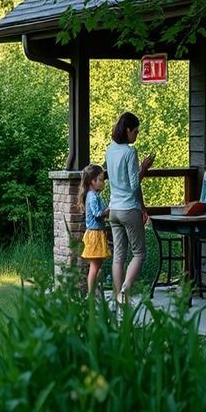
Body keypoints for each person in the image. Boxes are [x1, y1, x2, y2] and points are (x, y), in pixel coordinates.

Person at [105, 112, 155, 305]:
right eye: (136, 131)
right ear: (128, 130)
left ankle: (118, 297)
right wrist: (144, 168)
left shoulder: (110, 150)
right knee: (139, 253)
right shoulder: (129, 152)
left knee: (118, 256)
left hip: (114, 209)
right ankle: (125, 290)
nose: (137, 134)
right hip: (128, 209)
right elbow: (134, 185)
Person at [78, 164, 110, 295]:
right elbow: (98, 213)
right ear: (92, 181)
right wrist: (109, 208)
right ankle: (91, 294)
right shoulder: (92, 196)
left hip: (98, 233)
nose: (103, 183)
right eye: (101, 180)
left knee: (97, 267)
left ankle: (96, 292)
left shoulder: (94, 195)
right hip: (94, 234)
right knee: (94, 267)